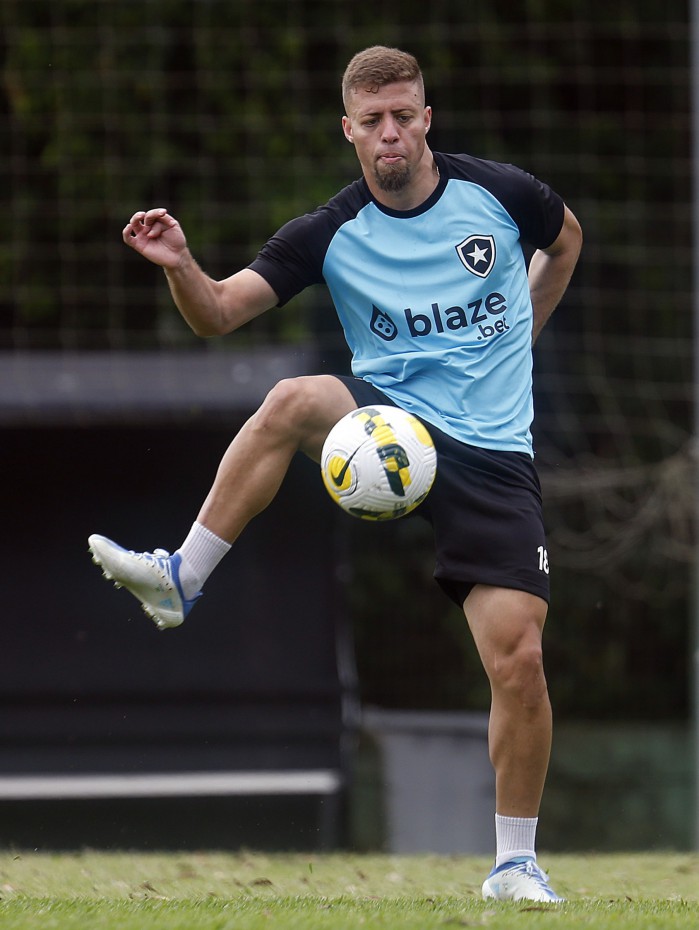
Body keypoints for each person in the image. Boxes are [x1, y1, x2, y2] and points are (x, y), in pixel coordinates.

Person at [89, 45, 582, 902]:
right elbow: (217, 315)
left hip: (495, 454)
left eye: (404, 115)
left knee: (519, 663)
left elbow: (566, 240)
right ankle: (180, 577)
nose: (390, 133)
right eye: (372, 121)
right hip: (387, 427)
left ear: (426, 118)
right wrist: (182, 268)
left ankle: (513, 864)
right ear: (347, 130)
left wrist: (520, 339)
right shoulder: (330, 230)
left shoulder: (500, 196)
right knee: (289, 398)